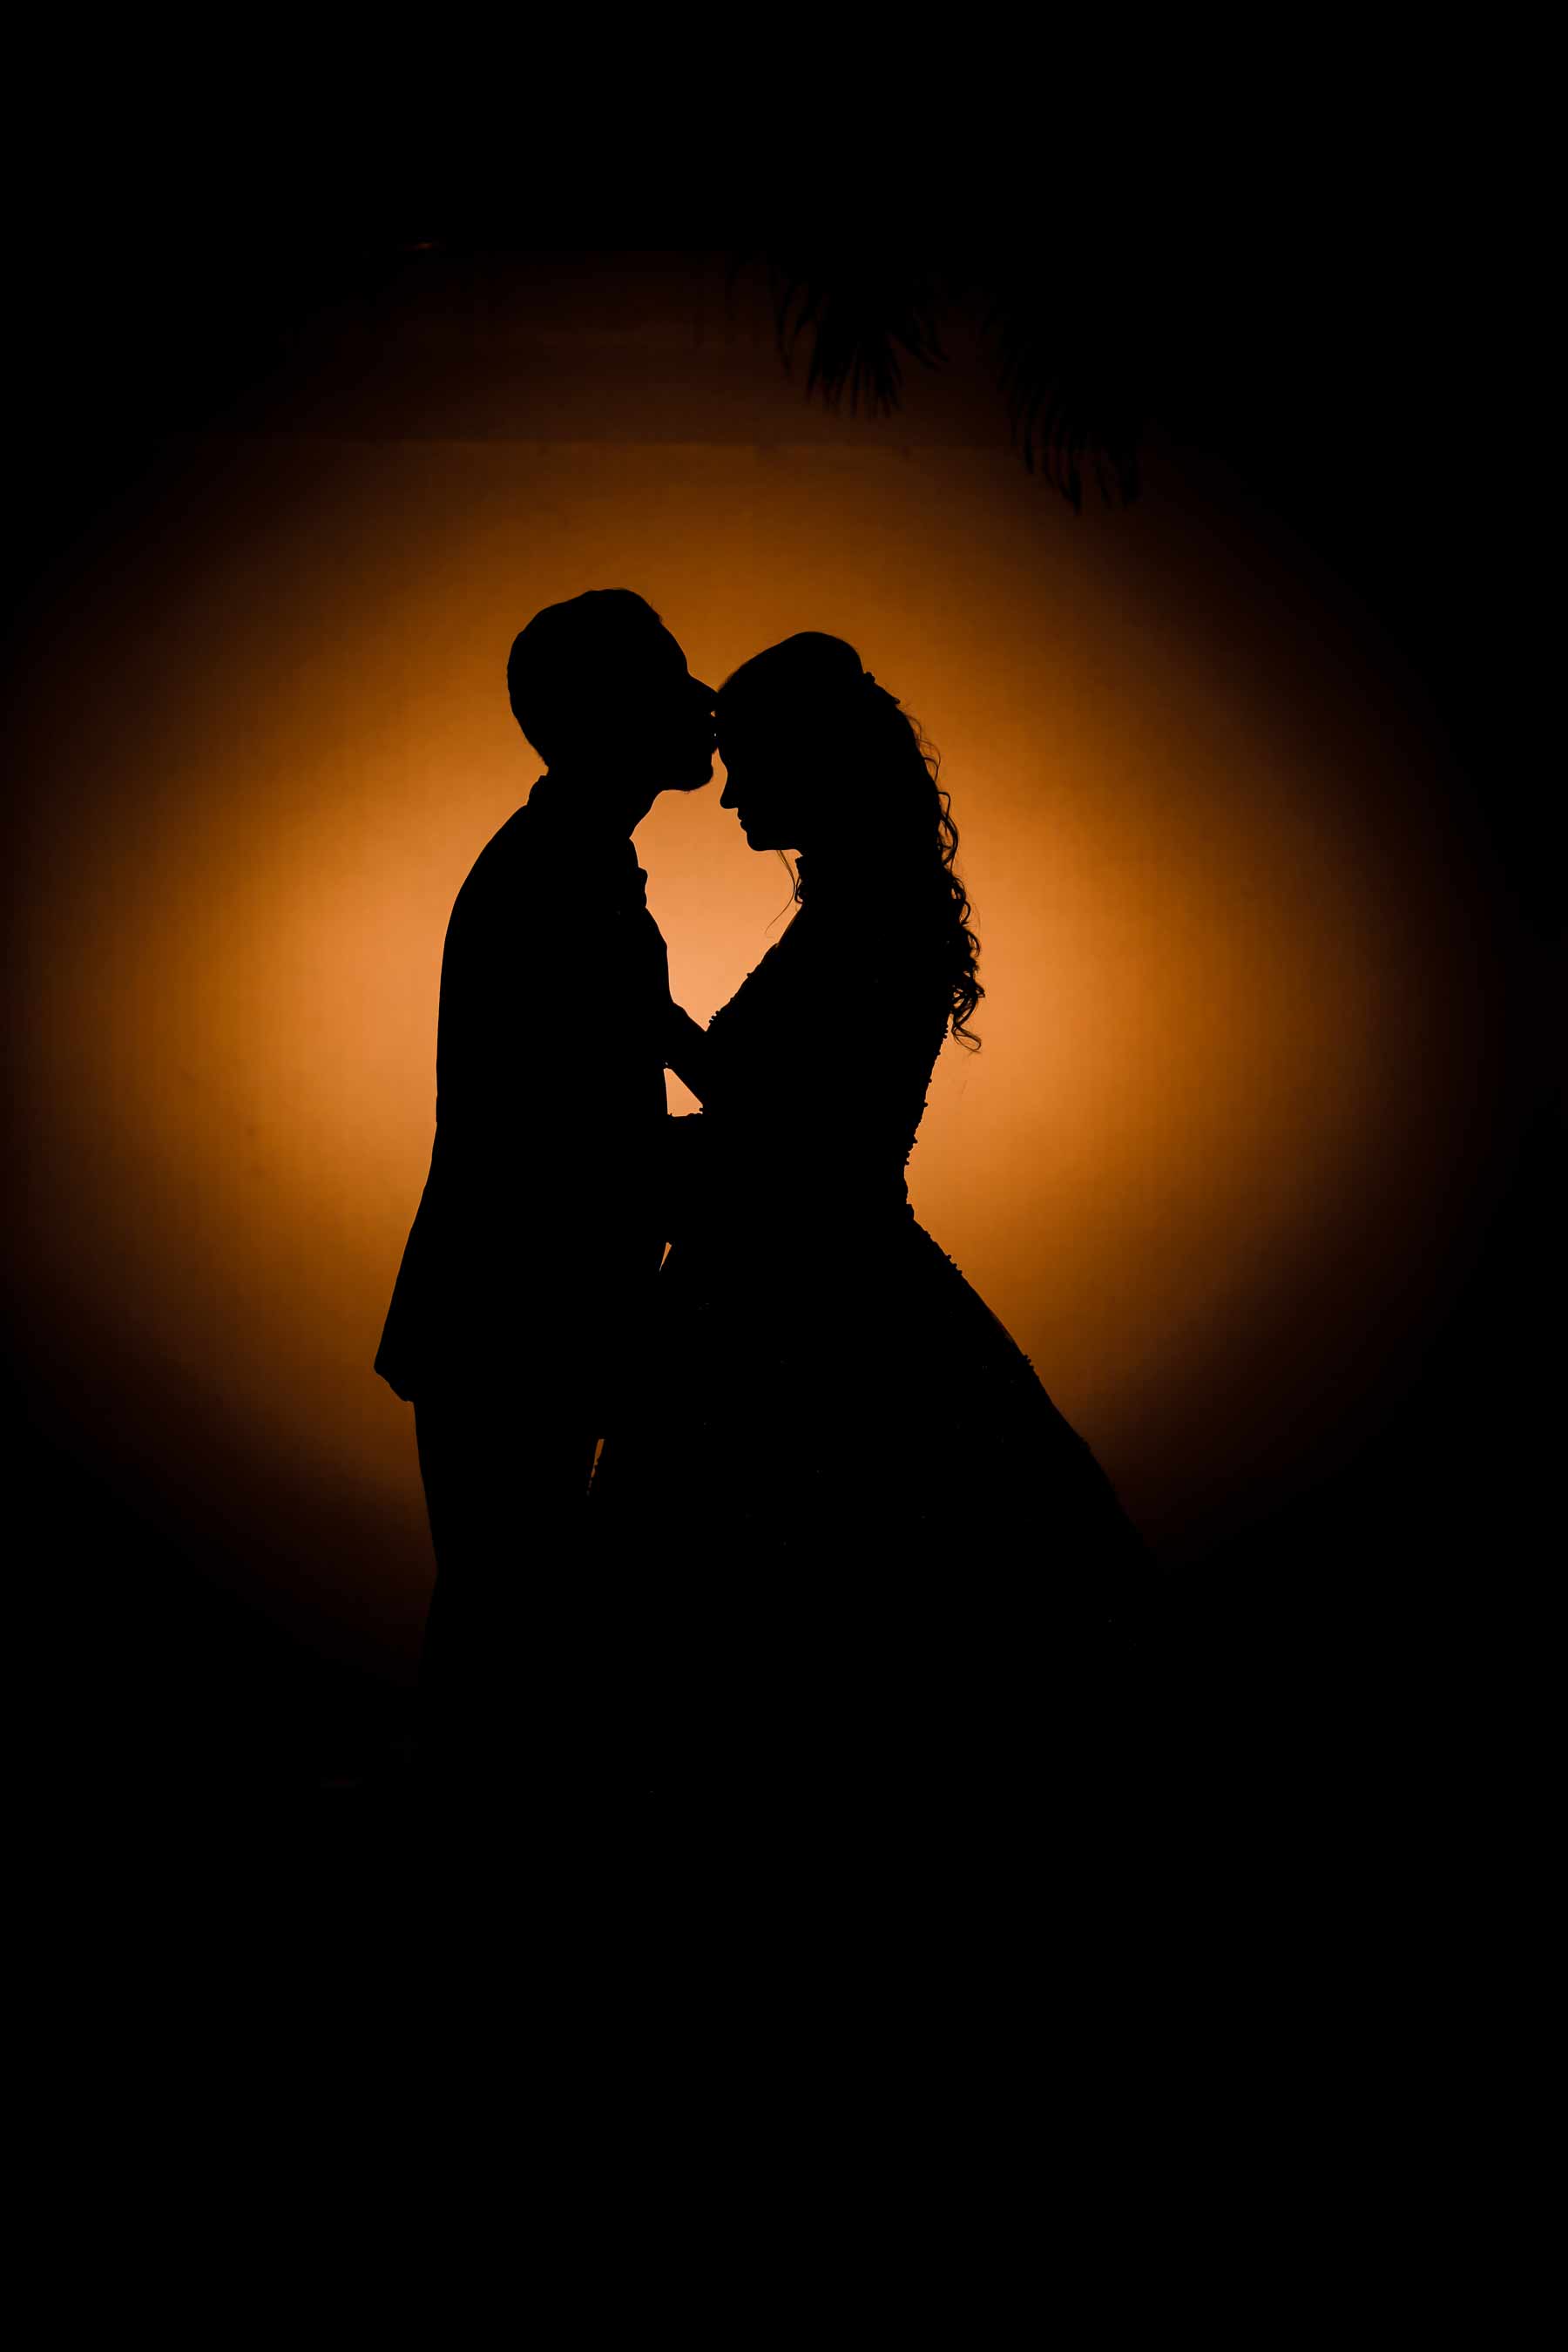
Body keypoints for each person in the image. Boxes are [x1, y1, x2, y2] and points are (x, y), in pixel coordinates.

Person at [590, 632, 1158, 1859]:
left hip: (801, 1306)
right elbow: (783, 1117)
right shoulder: (868, 910)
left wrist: (643, 1030)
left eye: (748, 766)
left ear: (814, 767)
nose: (729, 797)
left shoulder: (866, 923)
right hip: (824, 1279)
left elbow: (793, 1135)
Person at [375, 590, 715, 1817]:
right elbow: (559, 1135)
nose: (704, 703)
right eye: (670, 681)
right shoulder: (554, 876)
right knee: (506, 1619)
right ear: (608, 717)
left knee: (512, 1614)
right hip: (513, 1311)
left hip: (518, 1307)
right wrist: (762, 1159)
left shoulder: (574, 864)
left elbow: (629, 1054)